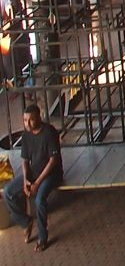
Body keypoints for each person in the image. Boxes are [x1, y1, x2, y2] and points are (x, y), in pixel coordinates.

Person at [3, 104, 62, 251]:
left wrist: (37, 183)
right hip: (34, 172)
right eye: (25, 120)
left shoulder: (49, 132)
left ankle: (42, 238)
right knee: (8, 192)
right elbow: (24, 160)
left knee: (39, 200)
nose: (27, 124)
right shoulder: (26, 135)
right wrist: (25, 181)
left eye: (31, 120)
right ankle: (25, 222)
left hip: (51, 174)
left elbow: (52, 161)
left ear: (39, 118)